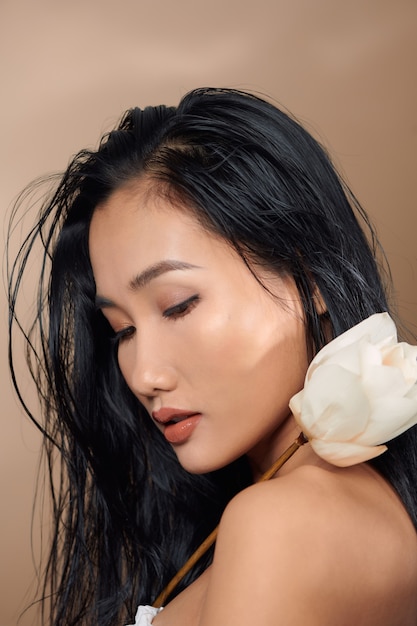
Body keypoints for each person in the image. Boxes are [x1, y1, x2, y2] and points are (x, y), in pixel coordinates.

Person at [8, 87, 417, 626]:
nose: (144, 375)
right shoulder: (333, 508)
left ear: (310, 276)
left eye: (177, 306)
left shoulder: (281, 525)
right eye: (121, 331)